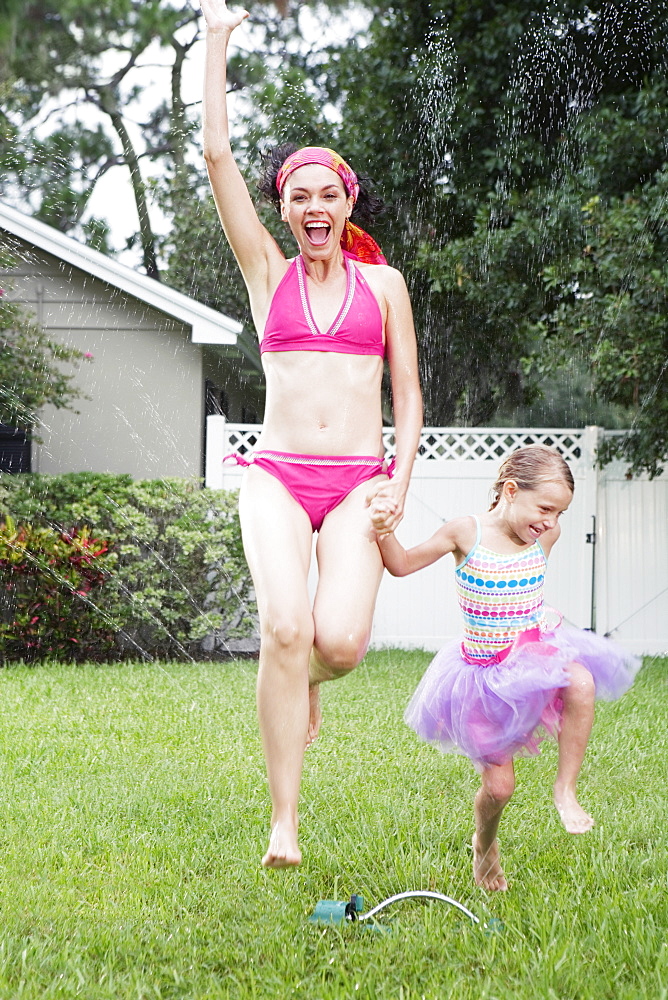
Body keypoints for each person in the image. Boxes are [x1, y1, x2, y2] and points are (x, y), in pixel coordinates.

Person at [201, 0, 423, 868]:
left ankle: (303, 685)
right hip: (281, 478)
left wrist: (399, 480)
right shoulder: (266, 272)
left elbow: (407, 393)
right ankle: (283, 822)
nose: (315, 206)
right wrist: (217, 38)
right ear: (285, 211)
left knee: (340, 645)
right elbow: (218, 155)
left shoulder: (387, 286)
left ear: (348, 201)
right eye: (300, 197)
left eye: (329, 193)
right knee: (285, 627)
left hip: (361, 483)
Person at [370, 445, 640, 892]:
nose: (552, 523)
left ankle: (565, 789)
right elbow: (400, 565)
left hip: (534, 659)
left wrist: (545, 524)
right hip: (483, 678)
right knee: (499, 789)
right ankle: (484, 844)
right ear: (511, 490)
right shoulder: (465, 532)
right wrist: (382, 530)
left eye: (560, 513)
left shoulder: (545, 537)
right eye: (546, 509)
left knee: (582, 681)